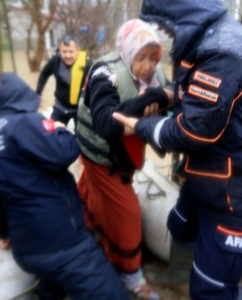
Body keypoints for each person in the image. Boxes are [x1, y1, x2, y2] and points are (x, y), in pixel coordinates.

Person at [113, 0, 242, 300]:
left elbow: (193, 132)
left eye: (164, 24)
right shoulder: (209, 38)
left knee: (211, 290)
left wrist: (141, 126)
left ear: (179, 12)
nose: (164, 33)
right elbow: (197, 93)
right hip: (209, 175)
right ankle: (180, 278)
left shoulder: (223, 51)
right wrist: (164, 95)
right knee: (180, 226)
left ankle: (210, 283)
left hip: (235, 192)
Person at [0, 73, 130, 300]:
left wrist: (4, 231)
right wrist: (60, 129)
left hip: (26, 251)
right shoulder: (26, 122)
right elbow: (65, 152)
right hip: (64, 244)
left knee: (51, 283)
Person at [75, 19, 170, 300]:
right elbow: (106, 123)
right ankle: (131, 275)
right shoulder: (105, 74)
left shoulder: (157, 76)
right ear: (127, 52)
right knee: (129, 214)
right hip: (101, 155)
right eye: (141, 58)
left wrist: (160, 102)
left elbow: (172, 103)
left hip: (126, 151)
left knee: (91, 193)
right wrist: (150, 99)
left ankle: (89, 225)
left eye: (154, 58)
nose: (149, 66)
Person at [36, 35, 91, 125]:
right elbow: (44, 73)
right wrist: (38, 93)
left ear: (78, 50)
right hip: (60, 106)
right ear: (59, 50)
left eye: (71, 51)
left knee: (81, 136)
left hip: (79, 109)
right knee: (52, 133)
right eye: (64, 51)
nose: (67, 55)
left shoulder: (87, 64)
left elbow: (93, 85)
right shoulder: (55, 60)